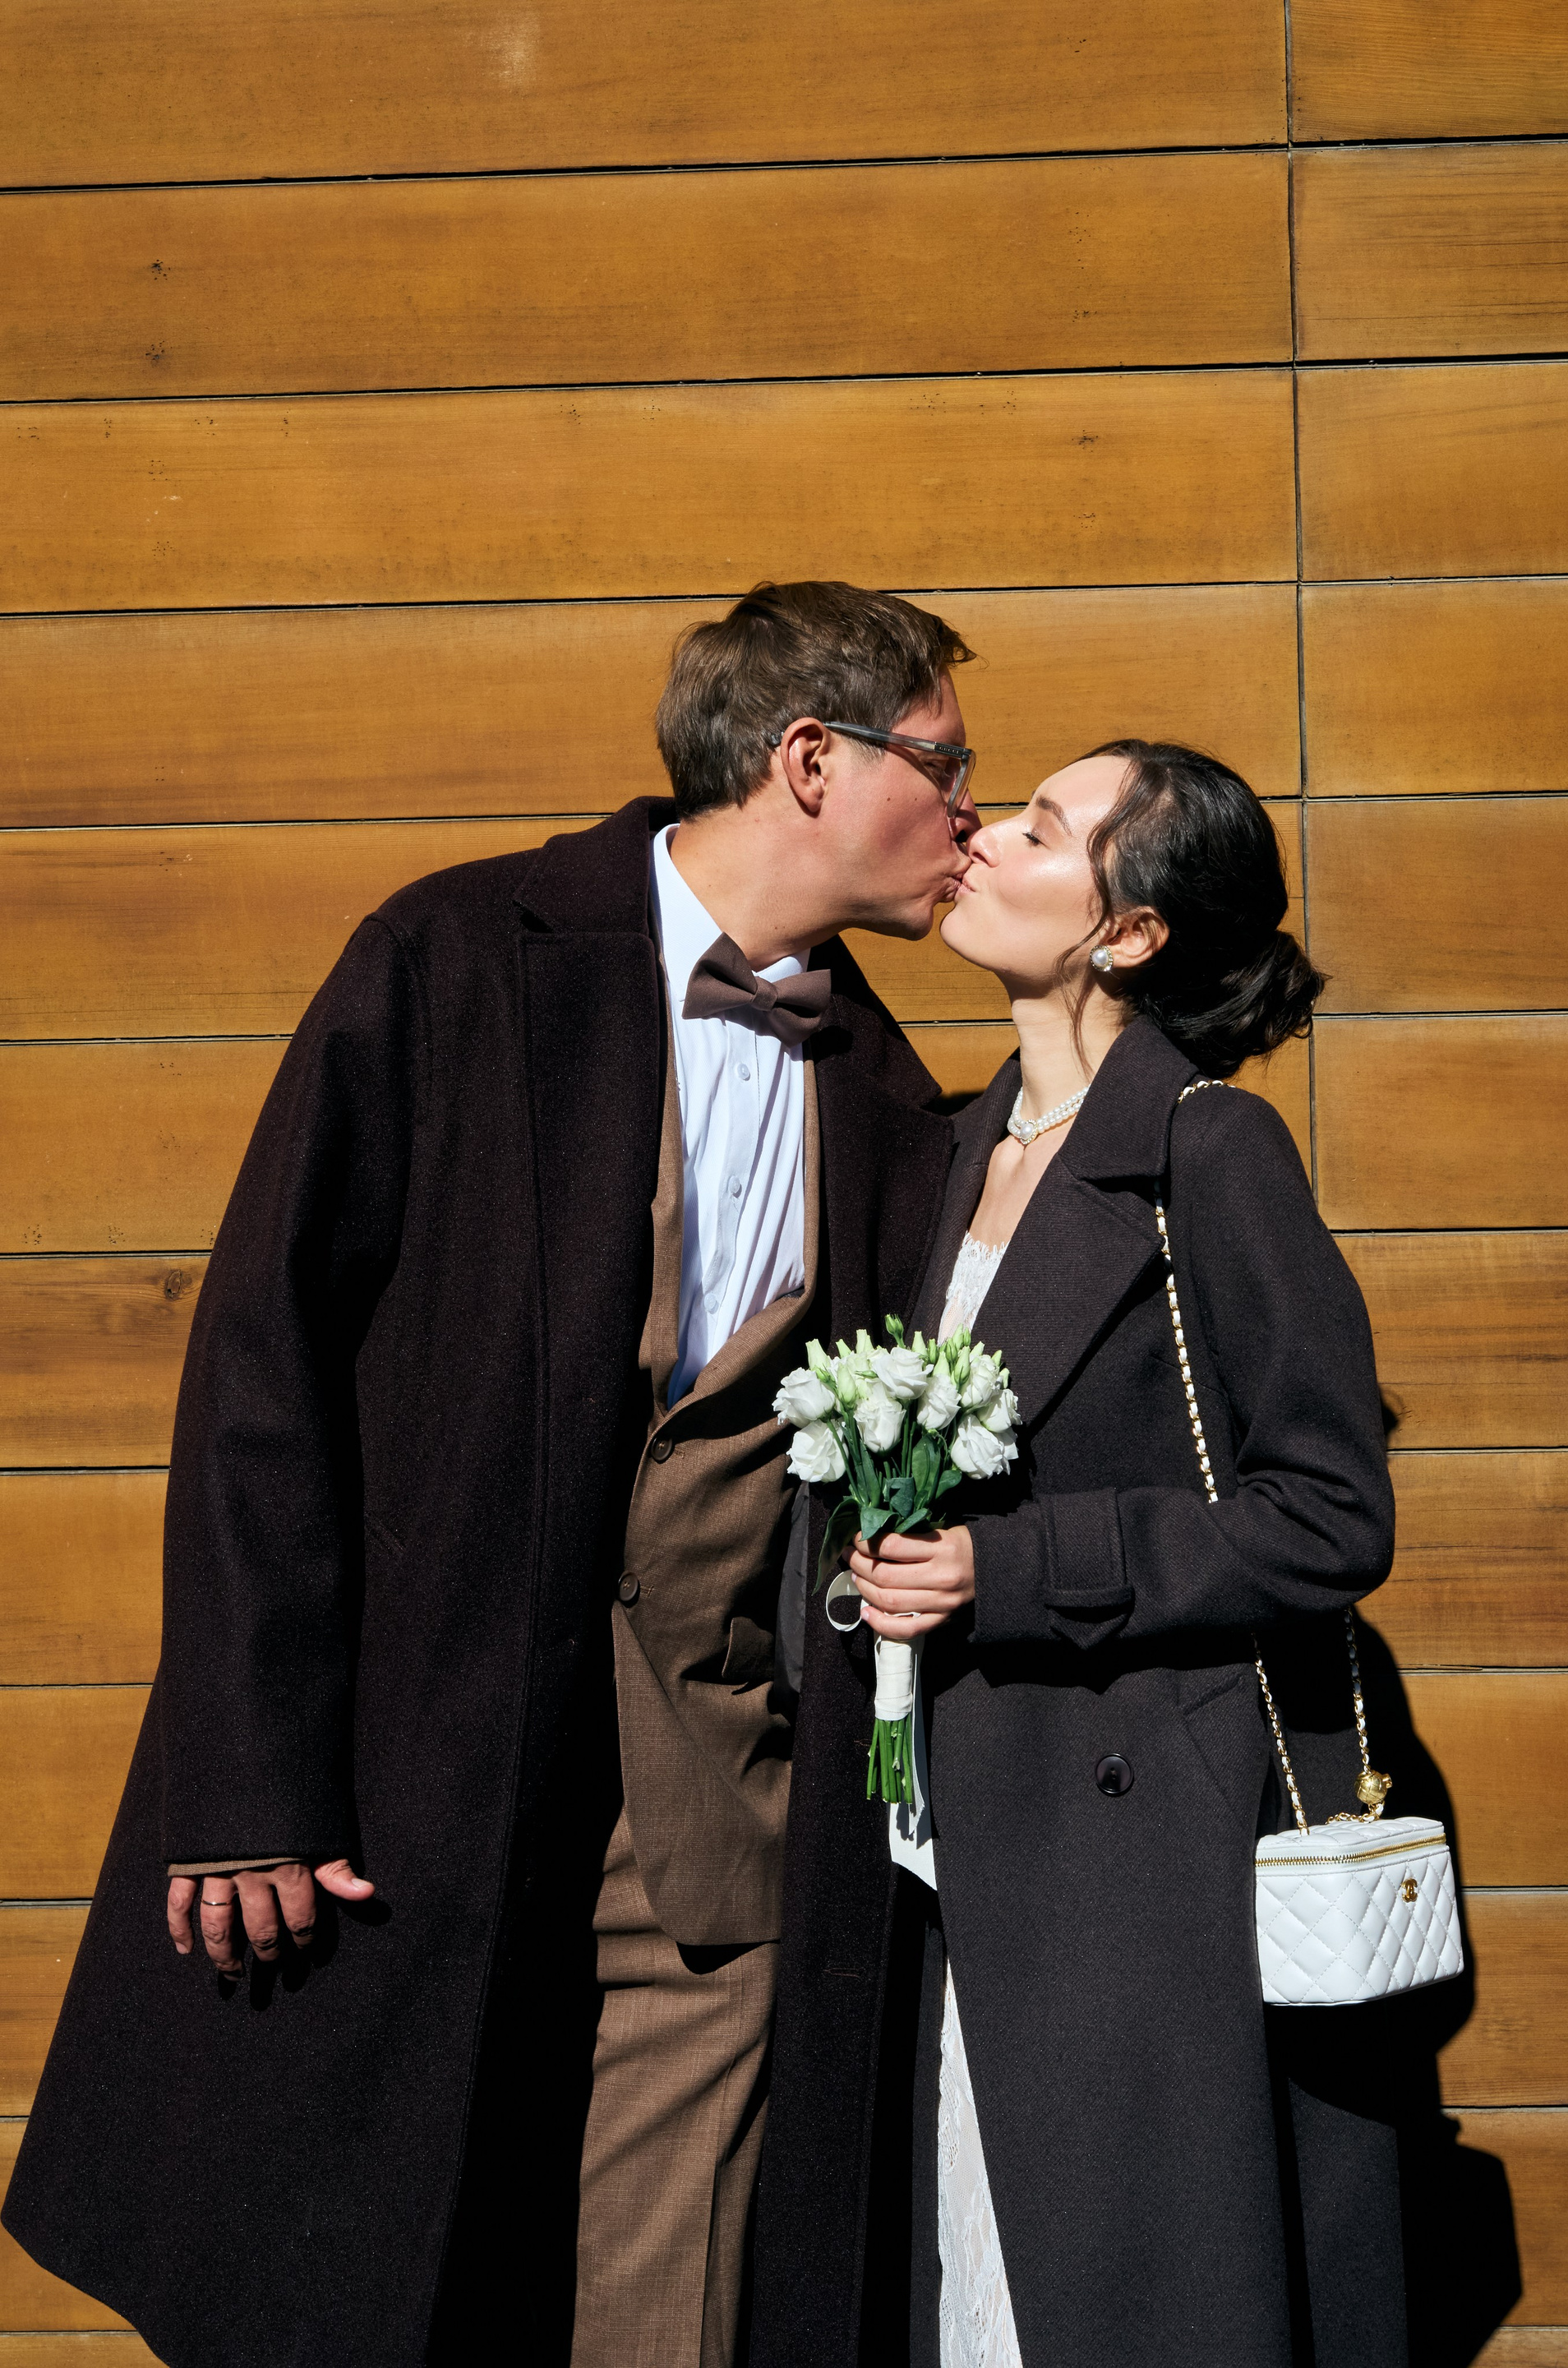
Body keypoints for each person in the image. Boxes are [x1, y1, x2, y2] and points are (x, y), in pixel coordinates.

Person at [2, 581, 982, 2368]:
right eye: (946, 764)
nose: (971, 813)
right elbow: (263, 1373)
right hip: (418, 1790)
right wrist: (246, 1778)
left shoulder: (891, 1091)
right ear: (812, 760)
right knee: (368, 2283)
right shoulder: (456, 957)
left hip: (715, 1825)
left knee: (672, 2315)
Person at [752, 741, 1406, 2368]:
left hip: (1133, 1855)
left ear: (1127, 932)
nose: (984, 836)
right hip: (942, 1836)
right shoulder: (960, 1145)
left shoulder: (1208, 1150)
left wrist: (1017, 1570)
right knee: (971, 2280)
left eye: (1045, 828)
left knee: (1108, 2295)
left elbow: (1331, 1511)